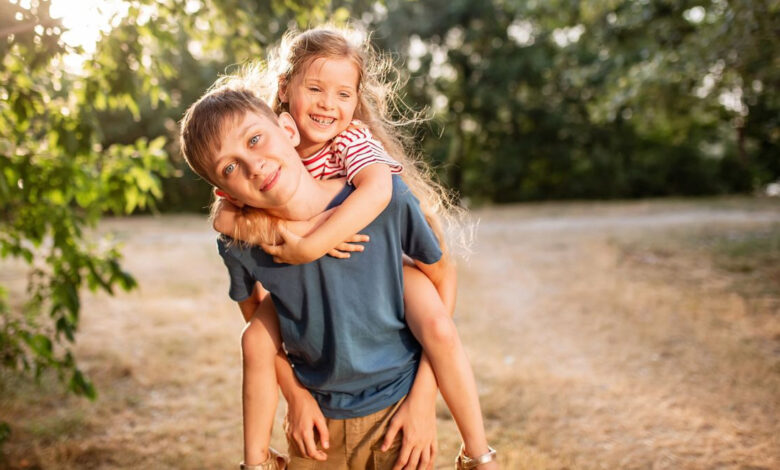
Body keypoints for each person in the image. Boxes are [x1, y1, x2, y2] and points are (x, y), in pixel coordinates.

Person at [206, 27, 496, 470]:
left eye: (344, 94)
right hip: (309, 315)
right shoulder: (264, 145)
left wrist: (312, 242)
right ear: (284, 89)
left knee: (437, 327)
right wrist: (280, 227)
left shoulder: (351, 143)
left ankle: (478, 455)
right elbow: (224, 217)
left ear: (357, 100)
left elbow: (378, 190)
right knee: (255, 340)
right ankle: (257, 461)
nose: (327, 104)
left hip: (386, 271)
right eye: (316, 88)